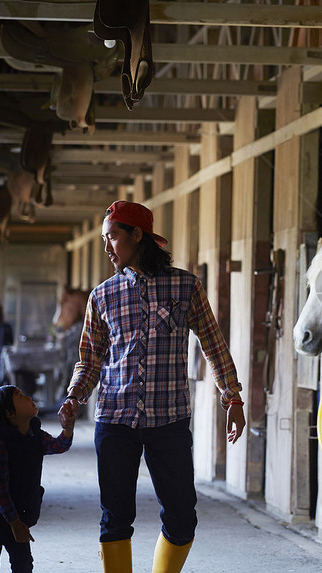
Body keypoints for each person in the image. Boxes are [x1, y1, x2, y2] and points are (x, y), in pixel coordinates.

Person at [59, 200, 245, 573]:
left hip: (169, 421)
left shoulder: (185, 285)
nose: (107, 247)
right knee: (115, 519)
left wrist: (233, 396)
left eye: (112, 237)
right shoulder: (102, 296)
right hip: (114, 419)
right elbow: (90, 360)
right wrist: (74, 397)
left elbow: (213, 343)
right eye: (104, 239)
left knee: (181, 519)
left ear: (137, 235)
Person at [0, 385, 75, 572]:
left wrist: (68, 429)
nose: (28, 397)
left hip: (15, 514)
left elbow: (58, 446)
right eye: (20, 396)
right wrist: (15, 523)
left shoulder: (34, 433)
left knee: (23, 564)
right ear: (9, 413)